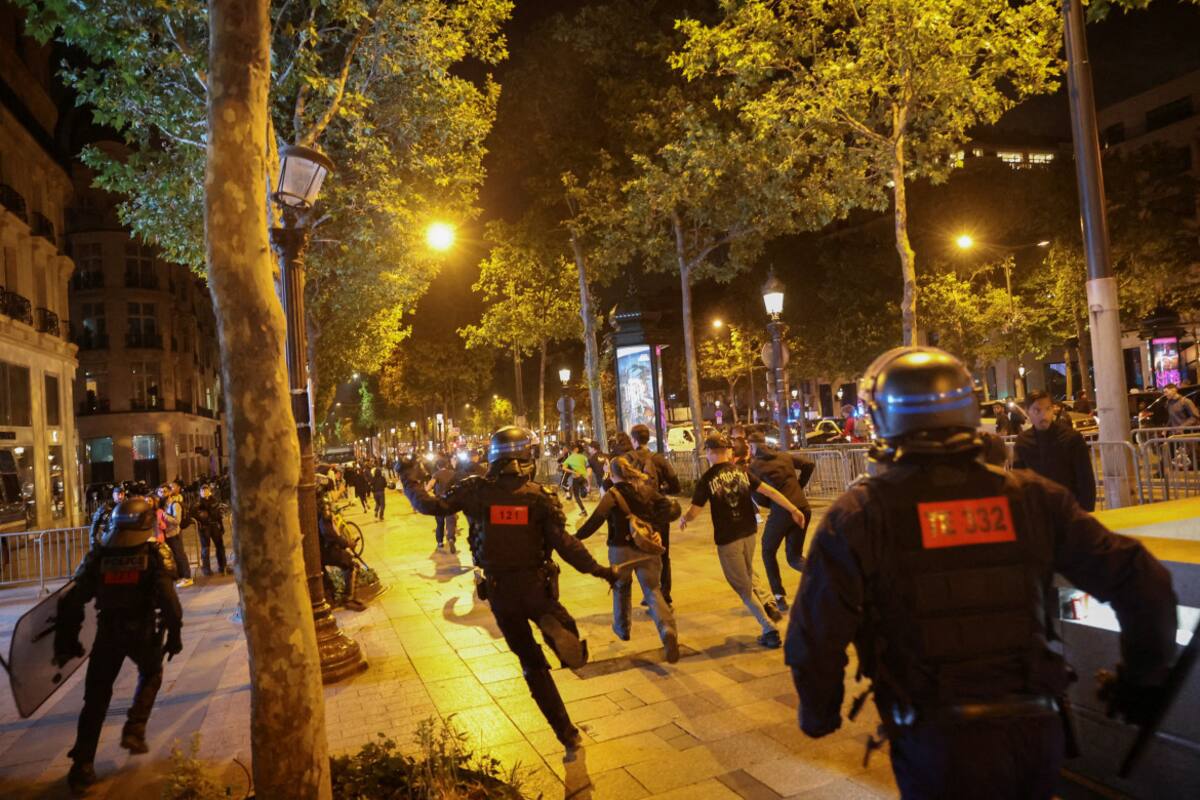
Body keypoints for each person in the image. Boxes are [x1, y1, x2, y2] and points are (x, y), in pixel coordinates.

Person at [786, 346, 1177, 799]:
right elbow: (1141, 579)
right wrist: (1142, 679)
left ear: (884, 418)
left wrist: (819, 711)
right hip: (1036, 730)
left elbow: (815, 634)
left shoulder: (859, 515)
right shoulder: (1034, 498)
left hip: (937, 741)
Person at [402, 426, 618, 754]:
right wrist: (601, 571)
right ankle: (557, 635)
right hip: (537, 587)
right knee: (567, 632)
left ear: (493, 456)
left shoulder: (474, 490)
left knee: (532, 666)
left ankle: (567, 732)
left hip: (500, 592)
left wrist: (410, 478)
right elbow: (566, 545)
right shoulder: (539, 497)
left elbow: (432, 507)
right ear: (526, 457)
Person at [54, 497, 183, 793]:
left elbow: (71, 600)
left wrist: (67, 641)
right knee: (151, 673)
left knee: (95, 699)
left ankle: (82, 765)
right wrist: (174, 637)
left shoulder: (100, 556)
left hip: (107, 634)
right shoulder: (155, 554)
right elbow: (170, 604)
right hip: (140, 632)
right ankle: (135, 728)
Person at [678, 433, 806, 648]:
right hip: (748, 533)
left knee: (741, 585)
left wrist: (685, 518)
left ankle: (769, 629)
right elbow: (770, 492)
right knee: (747, 570)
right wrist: (793, 509)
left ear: (709, 453)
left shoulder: (708, 479)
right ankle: (768, 601)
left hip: (728, 539)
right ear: (728, 451)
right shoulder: (742, 472)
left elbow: (695, 511)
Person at [576, 454, 679, 660]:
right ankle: (667, 630)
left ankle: (622, 628)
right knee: (653, 591)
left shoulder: (612, 495)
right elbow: (669, 507)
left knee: (621, 588)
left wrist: (575, 537)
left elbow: (595, 520)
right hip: (647, 548)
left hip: (621, 549)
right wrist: (655, 527)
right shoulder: (646, 490)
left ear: (612, 473)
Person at [747, 431, 815, 612]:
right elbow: (809, 464)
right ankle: (821, 575)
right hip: (803, 508)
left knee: (768, 551)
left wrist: (770, 503)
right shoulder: (784, 456)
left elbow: (758, 495)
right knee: (794, 557)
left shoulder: (755, 466)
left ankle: (779, 595)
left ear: (753, 447)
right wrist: (799, 486)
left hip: (782, 511)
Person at [1013, 390, 1097, 512]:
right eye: (1037, 410)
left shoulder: (1071, 438)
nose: (1044, 415)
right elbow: (1019, 482)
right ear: (1027, 412)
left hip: (1069, 512)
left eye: (1048, 409)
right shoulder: (1023, 442)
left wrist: (1084, 513)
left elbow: (1086, 481)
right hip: (1039, 514)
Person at [629, 423, 681, 604]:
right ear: (648, 439)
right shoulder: (658, 459)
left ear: (633, 439)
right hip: (659, 512)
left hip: (638, 516)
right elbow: (676, 486)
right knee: (663, 552)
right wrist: (659, 490)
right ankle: (664, 593)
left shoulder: (628, 459)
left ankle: (649, 591)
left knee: (642, 553)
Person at [317, 496, 367, 611]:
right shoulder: (322, 504)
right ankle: (348, 599)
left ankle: (331, 599)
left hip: (313, 551)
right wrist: (346, 543)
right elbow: (328, 532)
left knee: (324, 578)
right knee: (351, 565)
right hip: (325, 549)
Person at [159, 484, 192, 588]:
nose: (162, 494)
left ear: (169, 492)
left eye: (164, 491)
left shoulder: (174, 505)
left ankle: (187, 577)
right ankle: (179, 576)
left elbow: (177, 521)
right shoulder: (161, 505)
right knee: (172, 556)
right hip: (165, 534)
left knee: (180, 555)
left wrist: (165, 516)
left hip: (174, 534)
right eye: (160, 492)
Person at [193, 483, 229, 576]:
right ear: (200, 492)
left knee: (220, 546)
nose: (205, 492)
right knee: (206, 548)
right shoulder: (198, 503)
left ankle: (223, 566)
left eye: (206, 490)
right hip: (205, 528)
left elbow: (219, 515)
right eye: (203, 490)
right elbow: (193, 514)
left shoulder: (214, 501)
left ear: (209, 491)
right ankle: (206, 569)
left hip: (214, 526)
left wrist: (221, 526)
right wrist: (200, 521)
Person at [427, 457, 459, 552]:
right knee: (451, 522)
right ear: (447, 465)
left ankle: (440, 542)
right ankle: (450, 538)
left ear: (437, 466)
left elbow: (430, 486)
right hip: (450, 501)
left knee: (440, 523)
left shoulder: (436, 474)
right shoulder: (453, 473)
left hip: (439, 501)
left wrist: (424, 493)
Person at [89, 485, 126, 549]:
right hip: (109, 537)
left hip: (124, 538)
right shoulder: (106, 507)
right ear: (113, 495)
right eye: (118, 494)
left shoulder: (127, 507)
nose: (120, 496)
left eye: (122, 494)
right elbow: (95, 522)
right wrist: (92, 537)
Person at [562, 443, 590, 519]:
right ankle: (584, 489)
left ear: (575, 450)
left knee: (577, 496)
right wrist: (588, 481)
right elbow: (588, 468)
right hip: (584, 477)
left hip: (576, 478)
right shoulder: (584, 457)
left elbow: (564, 468)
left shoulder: (570, 458)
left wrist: (573, 472)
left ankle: (583, 511)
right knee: (582, 492)